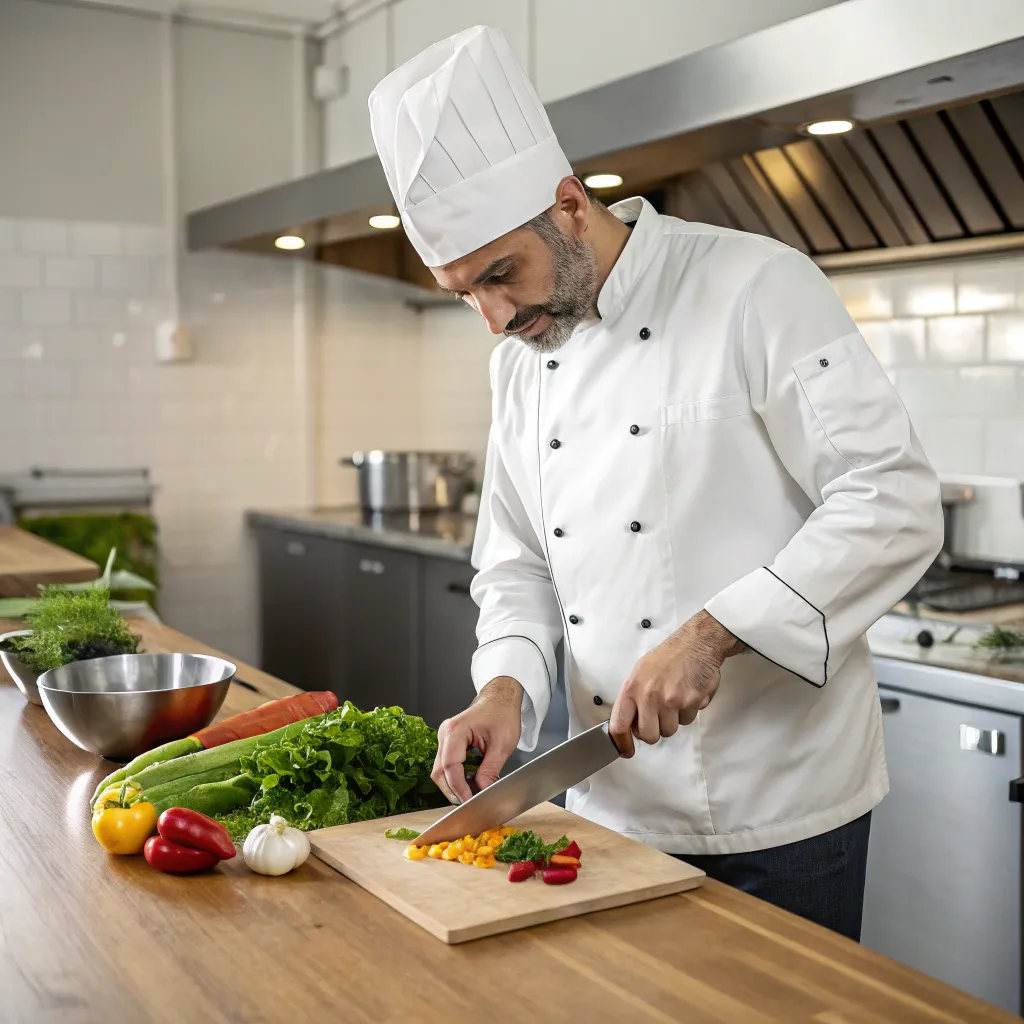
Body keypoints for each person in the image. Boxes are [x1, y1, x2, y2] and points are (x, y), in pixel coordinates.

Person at [368, 25, 943, 940]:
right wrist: (505, 684)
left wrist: (714, 634)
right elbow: (513, 561)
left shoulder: (756, 286)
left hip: (778, 808)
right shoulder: (521, 361)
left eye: (499, 275)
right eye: (461, 292)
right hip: (610, 807)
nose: (492, 317)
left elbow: (892, 496)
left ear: (567, 202)